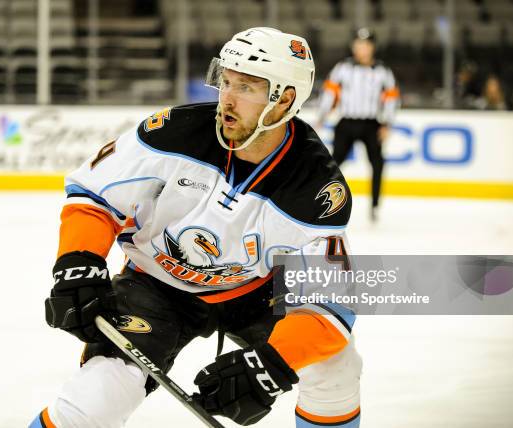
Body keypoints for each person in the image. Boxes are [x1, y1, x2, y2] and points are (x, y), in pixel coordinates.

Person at [30, 27, 362, 428]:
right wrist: (78, 261)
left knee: (336, 366)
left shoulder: (316, 186)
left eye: (247, 87)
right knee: (94, 401)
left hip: (256, 296)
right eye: (226, 81)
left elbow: (330, 301)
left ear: (285, 98)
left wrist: (273, 364)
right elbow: (93, 195)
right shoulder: (174, 132)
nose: (228, 98)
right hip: (155, 284)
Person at [316, 28, 400, 221]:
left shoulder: (382, 70)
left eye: (366, 45)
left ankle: (375, 206)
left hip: (371, 124)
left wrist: (387, 123)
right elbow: (330, 93)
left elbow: (391, 98)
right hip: (346, 123)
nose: (362, 49)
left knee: (377, 164)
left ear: (373, 47)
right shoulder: (343, 68)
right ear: (354, 46)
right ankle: (323, 202)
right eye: (359, 45)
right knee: (333, 165)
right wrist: (322, 116)